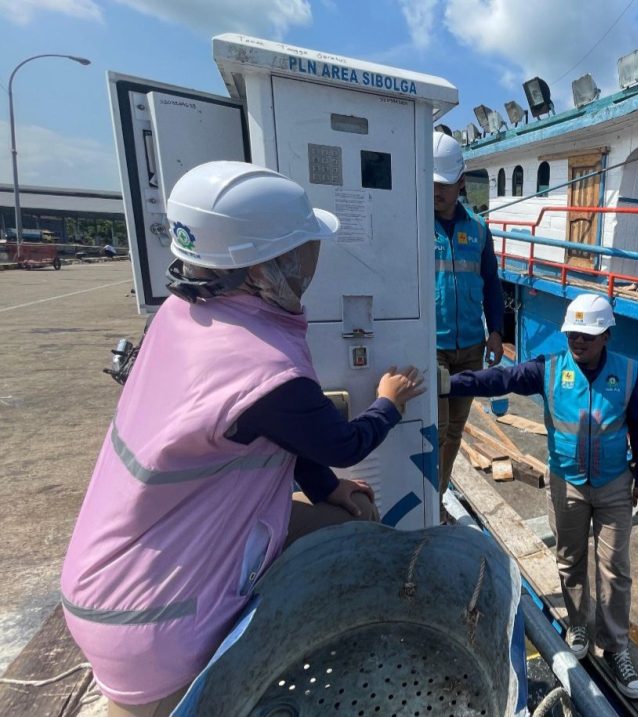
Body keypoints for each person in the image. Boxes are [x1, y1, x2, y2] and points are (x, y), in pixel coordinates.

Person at [60, 161, 425, 717]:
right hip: (153, 620)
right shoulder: (263, 366)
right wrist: (388, 402)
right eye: (305, 245)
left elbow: (273, 431)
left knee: (348, 522)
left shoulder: (182, 315)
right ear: (264, 266)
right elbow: (341, 444)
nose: (315, 258)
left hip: (113, 571)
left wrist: (325, 488)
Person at [442, 293, 638, 699]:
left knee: (614, 569)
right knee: (570, 559)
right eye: (573, 334)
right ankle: (578, 624)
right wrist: (450, 384)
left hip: (613, 485)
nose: (578, 341)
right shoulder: (550, 369)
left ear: (606, 336)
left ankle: (615, 647)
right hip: (566, 484)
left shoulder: (626, 374)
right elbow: (500, 379)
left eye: (587, 335)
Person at [433, 130, 504, 510]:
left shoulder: (478, 229)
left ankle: (437, 496)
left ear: (460, 182)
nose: (436, 191)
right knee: (436, 429)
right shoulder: (414, 226)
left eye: (444, 184)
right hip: (433, 347)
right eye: (431, 183)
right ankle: (428, 502)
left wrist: (496, 332)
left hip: (472, 348)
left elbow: (492, 283)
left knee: (455, 431)